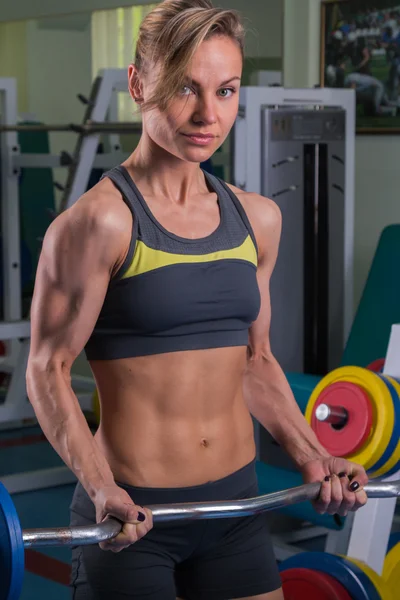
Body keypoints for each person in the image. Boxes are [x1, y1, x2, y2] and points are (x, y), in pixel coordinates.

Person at [26, 0, 369, 598]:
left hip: (237, 509)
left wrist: (314, 456)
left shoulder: (257, 219)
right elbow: (47, 368)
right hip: (131, 517)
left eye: (227, 90)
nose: (209, 114)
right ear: (139, 83)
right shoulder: (97, 224)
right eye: (186, 87)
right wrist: (101, 486)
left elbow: (255, 362)